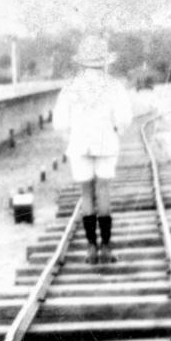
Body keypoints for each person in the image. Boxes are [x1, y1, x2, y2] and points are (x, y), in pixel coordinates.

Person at [52, 35, 135, 265]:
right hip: (106, 143)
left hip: (79, 145)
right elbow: (124, 118)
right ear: (105, 62)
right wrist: (117, 131)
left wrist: (72, 136)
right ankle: (106, 247)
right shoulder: (113, 86)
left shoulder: (70, 88)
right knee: (104, 191)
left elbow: (59, 122)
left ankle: (91, 248)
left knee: (86, 193)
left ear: (81, 62)